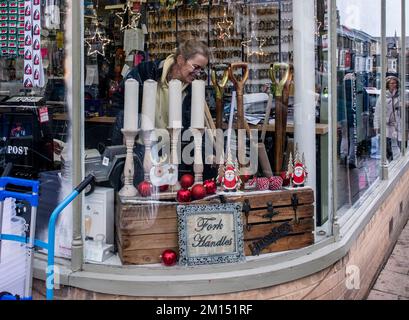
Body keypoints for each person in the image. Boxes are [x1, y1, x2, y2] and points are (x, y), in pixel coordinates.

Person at [111, 40, 213, 185]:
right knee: (140, 192)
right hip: (140, 149)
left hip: (172, 153)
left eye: (202, 69)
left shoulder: (193, 92)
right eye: (196, 67)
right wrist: (126, 128)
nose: (198, 73)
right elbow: (119, 99)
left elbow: (193, 132)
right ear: (180, 60)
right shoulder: (146, 72)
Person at [374, 75, 401, 162]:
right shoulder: (382, 96)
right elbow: (377, 112)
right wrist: (376, 125)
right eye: (392, 83)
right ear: (387, 85)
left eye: (395, 83)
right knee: (387, 145)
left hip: (397, 124)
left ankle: (400, 161)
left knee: (400, 144)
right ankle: (391, 162)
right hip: (386, 124)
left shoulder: (400, 95)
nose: (394, 85)